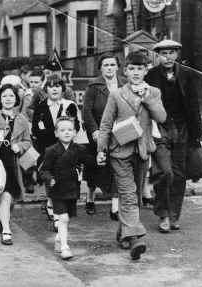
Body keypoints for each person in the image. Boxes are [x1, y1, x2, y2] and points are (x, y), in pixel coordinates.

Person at [96, 51, 166, 260]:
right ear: (125, 71)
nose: (136, 73)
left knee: (134, 196)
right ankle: (136, 238)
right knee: (127, 194)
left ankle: (123, 234)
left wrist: (148, 99)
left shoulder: (153, 92)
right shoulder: (117, 94)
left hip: (142, 150)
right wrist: (101, 149)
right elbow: (106, 123)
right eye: (132, 69)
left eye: (140, 69)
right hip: (120, 151)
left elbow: (161, 116)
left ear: (146, 71)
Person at [145, 40, 202, 233]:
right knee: (165, 172)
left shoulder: (186, 74)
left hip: (182, 130)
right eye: (164, 53)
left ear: (177, 54)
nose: (168, 57)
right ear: (157, 56)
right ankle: (162, 214)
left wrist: (197, 134)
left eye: (171, 53)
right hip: (160, 129)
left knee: (179, 175)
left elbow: (193, 106)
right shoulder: (151, 75)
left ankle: (173, 216)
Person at [0, 84, 32, 245]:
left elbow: (28, 141)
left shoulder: (22, 119)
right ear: (0, 99)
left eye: (11, 96)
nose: (8, 99)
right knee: (6, 195)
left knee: (9, 196)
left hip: (13, 163)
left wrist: (20, 146)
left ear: (16, 99)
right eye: (4, 96)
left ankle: (4, 221)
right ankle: (6, 230)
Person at [40, 116, 96, 260]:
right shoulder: (51, 150)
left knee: (67, 218)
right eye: (62, 130)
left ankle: (59, 237)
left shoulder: (79, 149)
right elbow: (44, 170)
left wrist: (99, 159)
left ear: (75, 132)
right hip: (57, 190)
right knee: (63, 218)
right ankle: (65, 247)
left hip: (72, 189)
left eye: (70, 130)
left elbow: (90, 162)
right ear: (56, 133)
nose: (66, 133)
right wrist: (49, 179)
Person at [32, 74, 80, 229]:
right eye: (51, 86)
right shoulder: (40, 107)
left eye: (58, 86)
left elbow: (76, 126)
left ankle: (55, 206)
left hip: (65, 150)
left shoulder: (69, 105)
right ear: (46, 89)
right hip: (46, 150)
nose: (54, 89)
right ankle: (54, 211)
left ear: (62, 89)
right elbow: (35, 130)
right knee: (50, 179)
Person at [82, 53, 126, 218]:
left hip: (119, 133)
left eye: (112, 65)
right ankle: (90, 198)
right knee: (95, 167)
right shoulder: (94, 86)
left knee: (117, 167)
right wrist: (94, 131)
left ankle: (115, 207)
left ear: (117, 67)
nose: (109, 68)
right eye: (106, 65)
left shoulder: (124, 84)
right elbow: (86, 111)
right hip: (98, 134)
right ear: (101, 68)